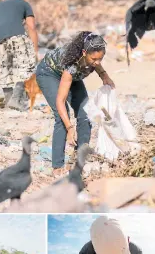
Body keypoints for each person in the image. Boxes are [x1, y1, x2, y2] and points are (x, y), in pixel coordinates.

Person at [36, 31, 115, 176]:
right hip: (49, 73)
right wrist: (70, 128)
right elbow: (60, 101)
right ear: (84, 53)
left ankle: (80, 157)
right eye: (94, 59)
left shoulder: (92, 56)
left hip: (73, 77)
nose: (97, 62)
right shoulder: (72, 64)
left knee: (85, 113)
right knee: (61, 117)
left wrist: (104, 75)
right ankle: (57, 166)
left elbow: (95, 61)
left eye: (100, 58)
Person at [0, 0, 38, 111]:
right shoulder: (23, 3)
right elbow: (31, 27)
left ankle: (9, 102)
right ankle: (15, 100)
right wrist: (34, 51)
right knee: (27, 66)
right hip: (18, 36)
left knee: (5, 69)